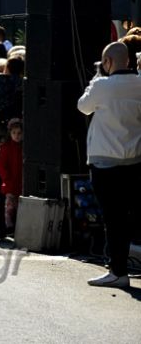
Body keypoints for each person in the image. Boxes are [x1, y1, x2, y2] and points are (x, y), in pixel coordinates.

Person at [78, 42, 141, 288]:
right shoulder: (138, 83)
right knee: (127, 216)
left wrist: (96, 77)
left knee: (113, 218)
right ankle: (120, 266)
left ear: (107, 63)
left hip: (105, 161)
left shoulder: (102, 85)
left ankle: (117, 270)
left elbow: (83, 106)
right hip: (134, 158)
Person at [0, 118, 23, 235]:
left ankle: (17, 226)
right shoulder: (6, 147)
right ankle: (9, 226)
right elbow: (0, 164)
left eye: (19, 133)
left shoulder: (24, 147)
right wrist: (6, 178)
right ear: (9, 133)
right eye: (14, 133)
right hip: (10, 182)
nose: (16, 136)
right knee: (9, 207)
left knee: (19, 206)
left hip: (20, 181)